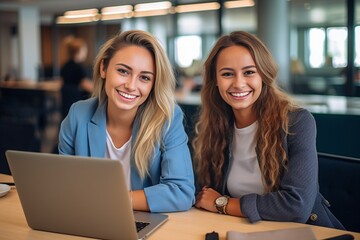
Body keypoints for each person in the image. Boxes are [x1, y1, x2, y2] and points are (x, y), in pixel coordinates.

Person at [192, 31, 345, 229]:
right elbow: (202, 193)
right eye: (227, 74)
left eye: (249, 72)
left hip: (306, 233)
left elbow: (296, 206)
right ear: (215, 80)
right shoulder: (215, 127)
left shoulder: (296, 122)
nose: (238, 83)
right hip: (244, 230)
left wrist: (222, 203)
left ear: (264, 75)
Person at [58, 30, 195, 213]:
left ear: (153, 84)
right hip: (88, 217)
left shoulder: (167, 119)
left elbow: (181, 192)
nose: (131, 85)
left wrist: (113, 199)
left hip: (144, 223)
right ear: (104, 68)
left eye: (144, 77)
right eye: (123, 71)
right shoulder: (78, 115)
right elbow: (64, 184)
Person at [60, 36, 94, 119]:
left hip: (66, 103)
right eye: (84, 51)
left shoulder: (65, 65)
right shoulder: (78, 67)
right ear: (78, 52)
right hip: (75, 101)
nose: (85, 53)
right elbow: (85, 84)